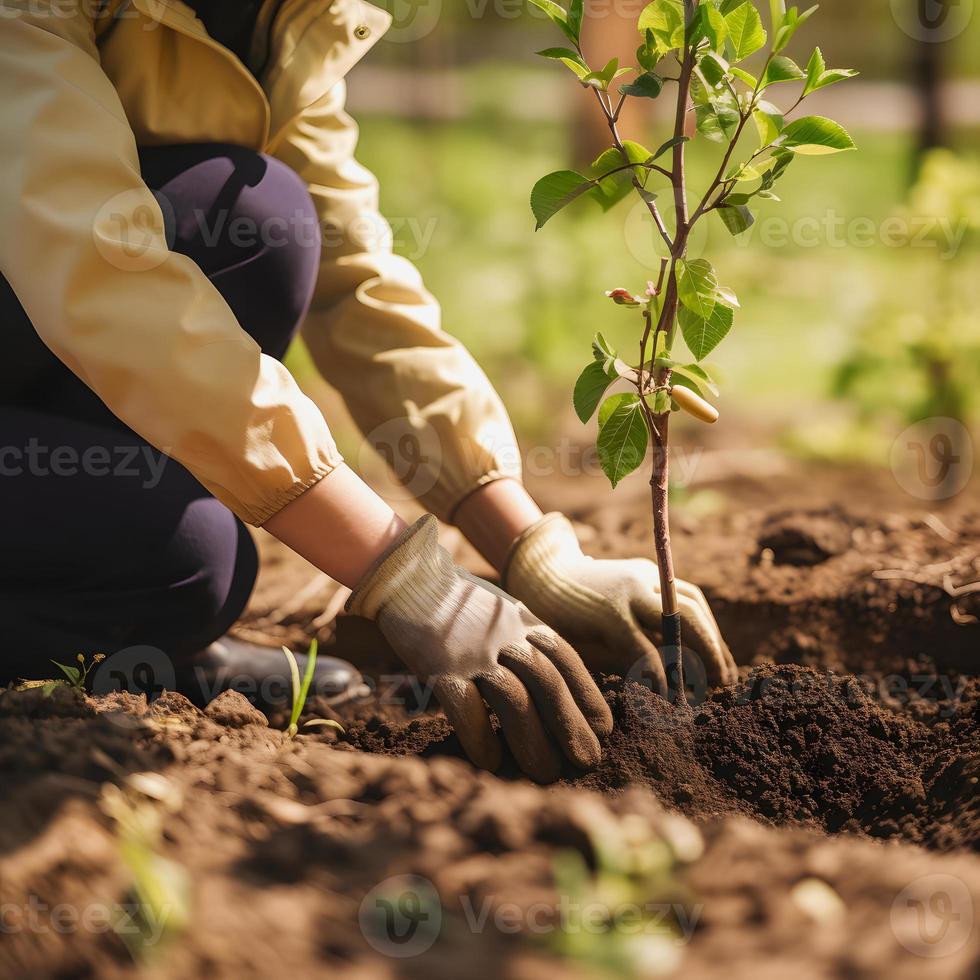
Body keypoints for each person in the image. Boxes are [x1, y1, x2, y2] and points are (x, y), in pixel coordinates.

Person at [0, 0, 735, 782]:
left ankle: (135, 621)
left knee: (261, 221)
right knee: (184, 564)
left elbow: (357, 285)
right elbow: (103, 280)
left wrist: (532, 553)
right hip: (57, 282)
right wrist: (399, 571)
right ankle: (123, 606)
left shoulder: (290, 15)